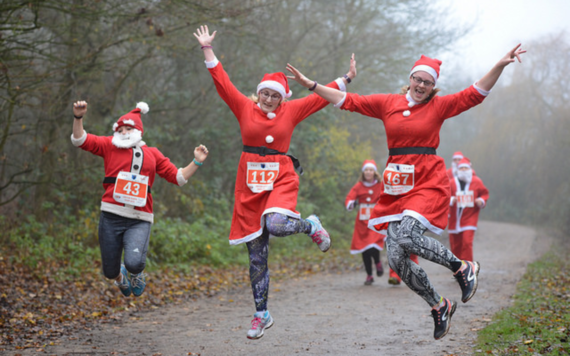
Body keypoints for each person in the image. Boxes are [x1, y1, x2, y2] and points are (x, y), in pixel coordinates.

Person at [286, 44, 525, 340]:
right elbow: (347, 100)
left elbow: (474, 93)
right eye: (418, 79)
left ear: (433, 86)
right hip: (398, 186)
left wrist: (499, 65)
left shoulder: (439, 106)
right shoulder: (388, 103)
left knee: (409, 235)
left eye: (428, 82)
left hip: (428, 181)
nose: (422, 85)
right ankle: (439, 305)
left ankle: (462, 267)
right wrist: (311, 84)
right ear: (410, 79)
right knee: (397, 257)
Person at [193, 25, 356, 340]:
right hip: (249, 183)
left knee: (278, 223)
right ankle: (260, 314)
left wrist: (346, 79)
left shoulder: (292, 111)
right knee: (256, 254)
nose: (269, 98)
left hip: (280, 176)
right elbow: (222, 83)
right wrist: (207, 49)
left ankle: (310, 225)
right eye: (265, 93)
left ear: (283, 98)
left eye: (275, 95)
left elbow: (321, 98)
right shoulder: (244, 108)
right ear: (259, 93)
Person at [71, 101, 209, 298]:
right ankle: (120, 278)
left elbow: (178, 178)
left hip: (139, 218)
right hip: (111, 216)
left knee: (134, 262)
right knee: (109, 271)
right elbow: (80, 140)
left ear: (138, 131)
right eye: (121, 128)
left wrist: (196, 161)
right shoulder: (109, 145)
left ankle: (136, 273)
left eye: (129, 128)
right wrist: (78, 117)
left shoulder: (152, 154)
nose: (125, 132)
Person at [345, 160, 385, 285]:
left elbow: (386, 197)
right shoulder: (358, 186)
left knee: (373, 244)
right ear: (363, 172)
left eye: (371, 170)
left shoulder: (380, 185)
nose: (368, 172)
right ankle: (369, 275)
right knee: (364, 248)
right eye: (366, 170)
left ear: (374, 172)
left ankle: (377, 262)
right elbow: (349, 199)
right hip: (362, 221)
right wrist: (353, 203)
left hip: (375, 220)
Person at [448, 157, 489, 261]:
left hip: (470, 217)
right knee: (455, 245)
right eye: (461, 168)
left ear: (470, 169)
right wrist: (451, 199)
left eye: (466, 168)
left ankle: (468, 267)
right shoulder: (452, 183)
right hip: (455, 218)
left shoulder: (477, 181)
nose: (464, 170)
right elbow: (445, 195)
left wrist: (481, 200)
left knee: (467, 242)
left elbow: (484, 193)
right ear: (458, 170)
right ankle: (457, 267)